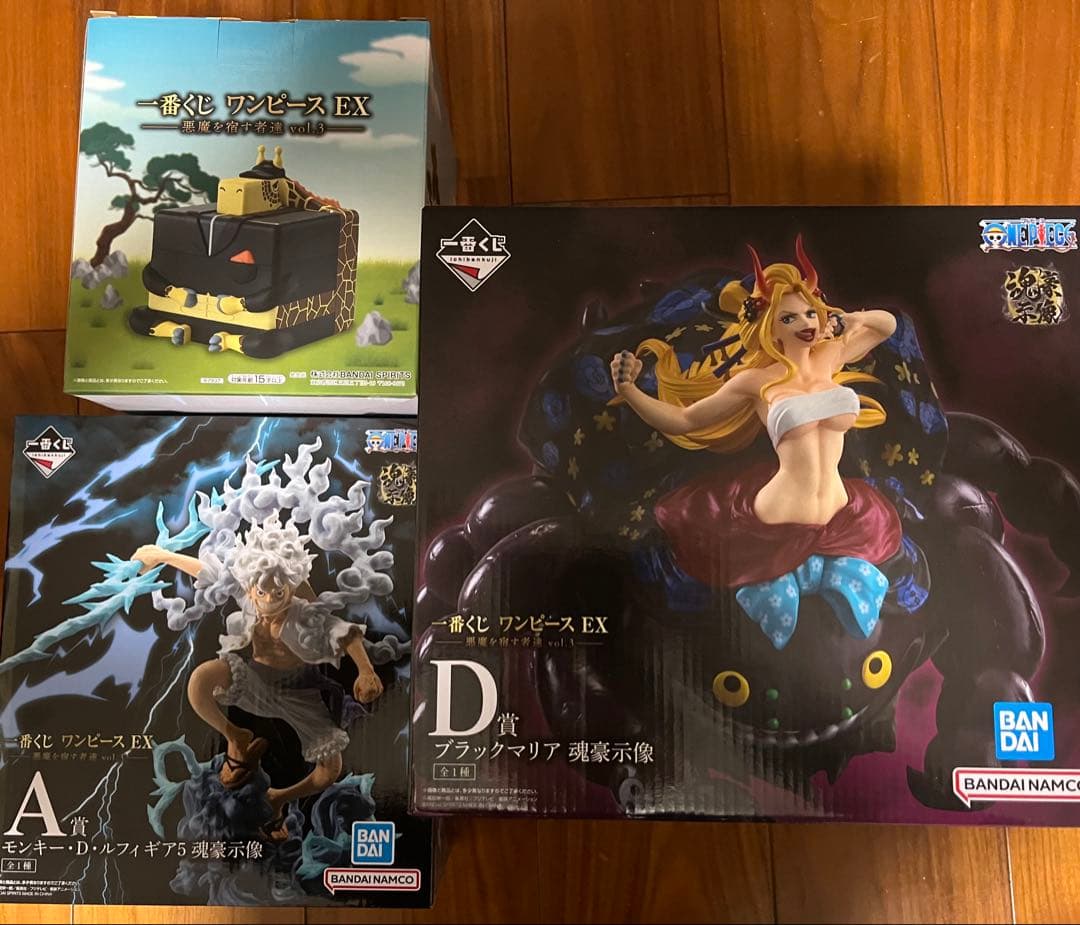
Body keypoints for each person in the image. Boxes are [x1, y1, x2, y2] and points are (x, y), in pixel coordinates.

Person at [610, 237, 902, 649]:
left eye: (809, 312)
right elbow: (685, 419)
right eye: (789, 318)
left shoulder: (831, 356)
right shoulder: (756, 382)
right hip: (777, 516)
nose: (805, 323)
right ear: (769, 327)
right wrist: (630, 391)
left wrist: (847, 317)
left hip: (841, 516)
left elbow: (887, 325)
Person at [132, 514, 384, 839]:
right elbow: (208, 573)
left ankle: (278, 799)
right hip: (255, 681)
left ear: (290, 586)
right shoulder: (249, 593)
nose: (267, 602)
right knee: (200, 680)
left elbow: (344, 632)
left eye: (277, 594)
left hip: (299, 693)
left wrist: (366, 671)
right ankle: (235, 736)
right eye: (261, 593)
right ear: (251, 586)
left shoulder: (304, 613)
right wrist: (162, 555)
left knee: (329, 770)